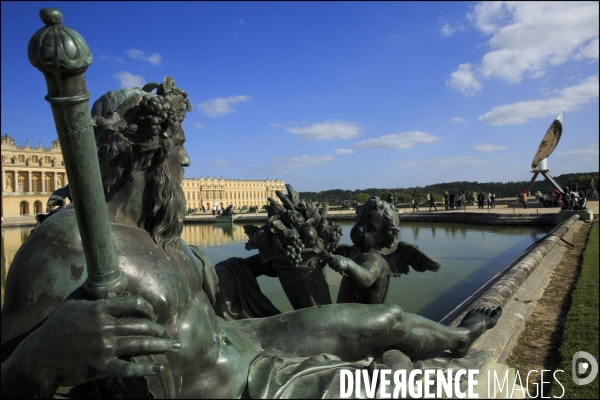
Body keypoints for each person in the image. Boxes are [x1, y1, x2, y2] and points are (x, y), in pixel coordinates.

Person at [1, 79, 502, 399]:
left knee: (388, 319)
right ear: (148, 157)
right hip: (241, 387)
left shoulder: (159, 234)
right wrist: (40, 355)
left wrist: (274, 256)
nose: (188, 163)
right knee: (393, 376)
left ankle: (459, 339)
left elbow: (214, 289)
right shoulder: (66, 246)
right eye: (180, 148)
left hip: (252, 342)